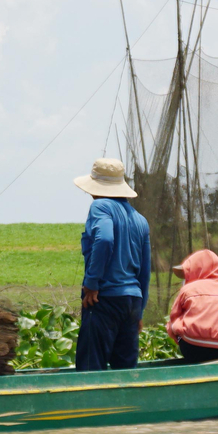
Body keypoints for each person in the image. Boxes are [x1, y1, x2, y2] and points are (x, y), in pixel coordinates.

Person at [73, 158, 151, 371]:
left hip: (103, 298)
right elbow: (144, 272)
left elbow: (105, 239)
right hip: (132, 302)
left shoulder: (100, 207)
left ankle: (91, 404)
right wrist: (140, 313)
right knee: (124, 369)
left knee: (91, 366)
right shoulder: (140, 220)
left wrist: (92, 282)